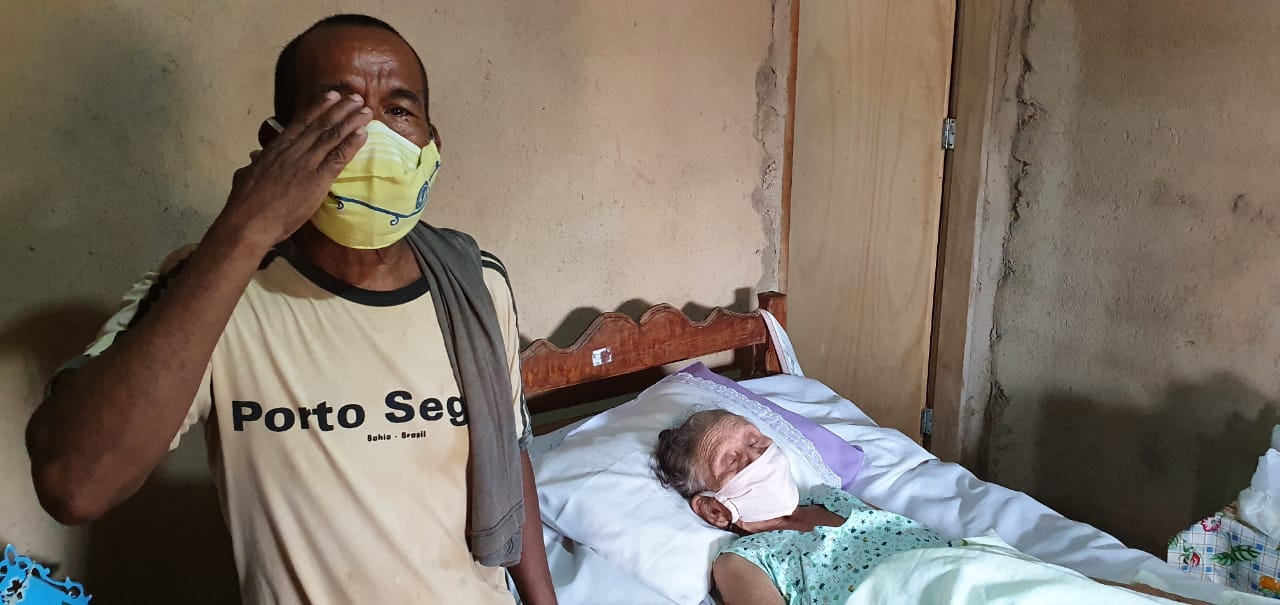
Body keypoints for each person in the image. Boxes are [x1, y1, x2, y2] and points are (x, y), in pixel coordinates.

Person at [25, 14, 557, 605]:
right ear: (278, 140)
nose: (371, 134)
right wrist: (247, 228)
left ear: (432, 144)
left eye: (399, 110)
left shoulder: (476, 283)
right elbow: (74, 484)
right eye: (337, 109)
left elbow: (509, 451)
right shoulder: (212, 286)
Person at [654, 410, 1211, 605]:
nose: (760, 457)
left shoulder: (828, 496)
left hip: (979, 569)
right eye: (735, 460)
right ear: (713, 509)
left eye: (756, 441)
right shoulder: (743, 560)